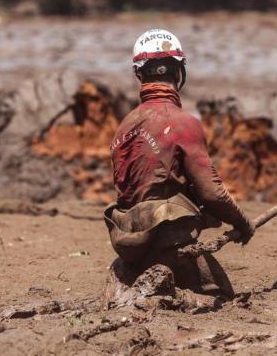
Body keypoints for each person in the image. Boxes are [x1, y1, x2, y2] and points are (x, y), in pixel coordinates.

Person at [104, 28, 254, 299]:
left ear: (140, 74)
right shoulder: (184, 123)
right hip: (170, 249)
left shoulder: (123, 126)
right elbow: (212, 193)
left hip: (129, 248)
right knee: (223, 298)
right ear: (178, 72)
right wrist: (242, 223)